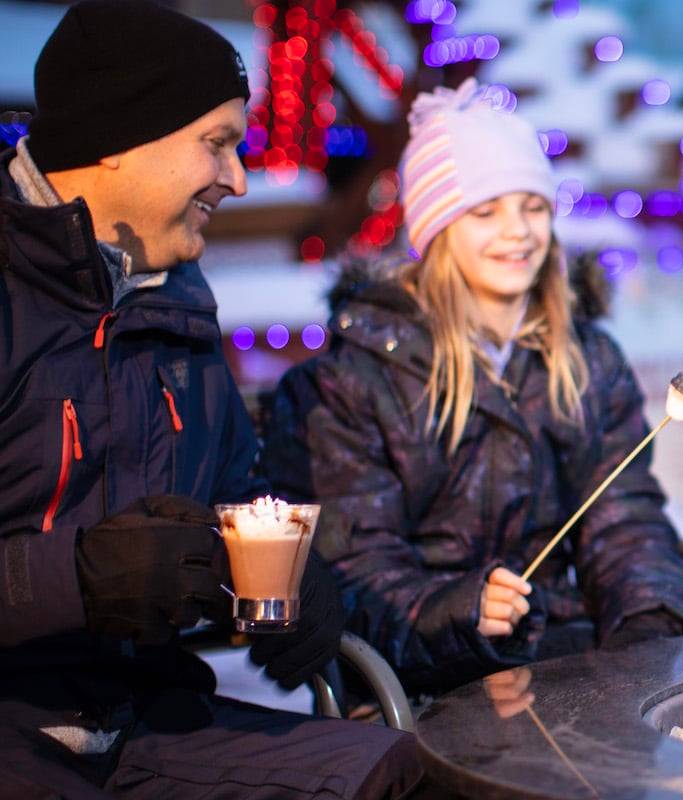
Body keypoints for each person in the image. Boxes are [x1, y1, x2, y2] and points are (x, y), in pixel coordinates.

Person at [0, 1, 420, 796]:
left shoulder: (181, 300)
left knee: (400, 774)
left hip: (149, 723)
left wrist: (290, 576)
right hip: (14, 734)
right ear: (118, 142)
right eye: (217, 143)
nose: (239, 176)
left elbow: (227, 500)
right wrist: (81, 577)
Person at [263, 80, 683, 696]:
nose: (518, 232)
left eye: (532, 206)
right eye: (485, 210)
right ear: (437, 226)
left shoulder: (586, 358)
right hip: (423, 683)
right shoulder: (350, 380)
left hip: (571, 664)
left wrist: (647, 623)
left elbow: (624, 518)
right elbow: (353, 570)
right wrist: (460, 608)